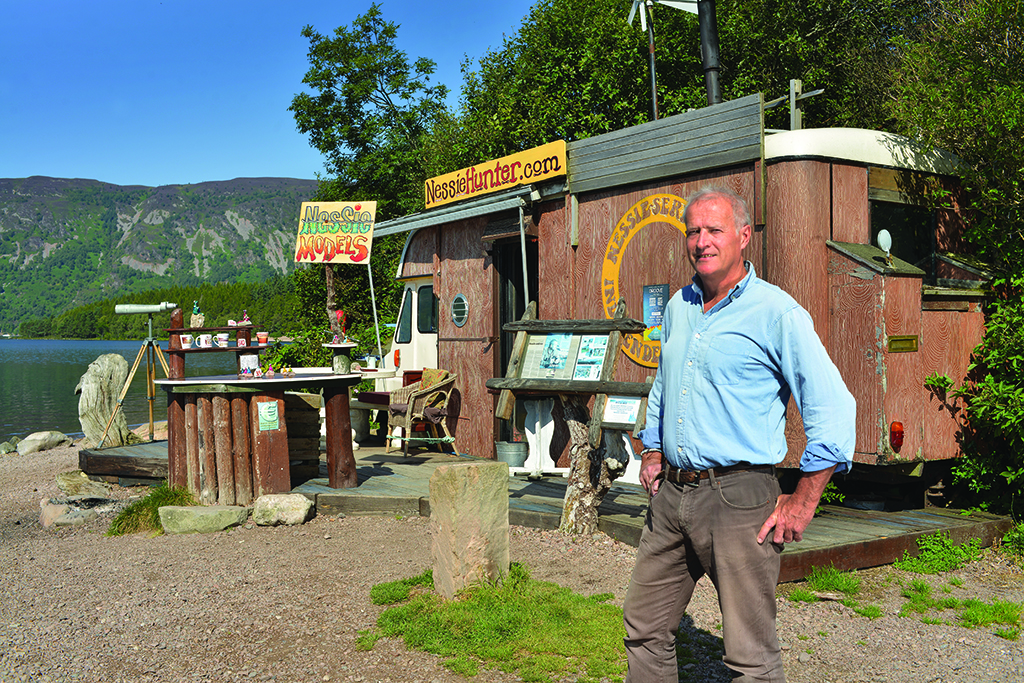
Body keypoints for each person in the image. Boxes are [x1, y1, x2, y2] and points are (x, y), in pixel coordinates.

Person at [623, 186, 856, 682]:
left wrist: (804, 499)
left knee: (750, 657)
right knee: (645, 628)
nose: (701, 241)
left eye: (714, 230)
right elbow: (665, 382)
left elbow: (834, 407)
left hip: (740, 497)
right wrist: (653, 451)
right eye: (693, 231)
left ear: (744, 236)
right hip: (672, 495)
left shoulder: (776, 312)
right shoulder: (682, 305)